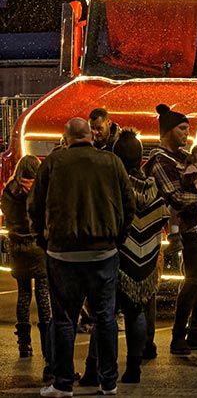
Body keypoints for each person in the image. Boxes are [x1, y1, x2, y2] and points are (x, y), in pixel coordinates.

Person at [29, 117, 135, 398]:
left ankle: (63, 384)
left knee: (63, 319)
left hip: (62, 253)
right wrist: (117, 238)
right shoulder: (111, 163)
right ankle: (108, 382)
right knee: (105, 317)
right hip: (104, 252)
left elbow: (34, 206)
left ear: (66, 138)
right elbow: (129, 204)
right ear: (90, 136)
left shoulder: (52, 164)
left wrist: (45, 240)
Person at [147, 104, 197, 354]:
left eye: (187, 128)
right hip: (190, 229)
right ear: (168, 131)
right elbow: (175, 196)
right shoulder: (160, 161)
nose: (186, 133)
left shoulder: (182, 158)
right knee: (193, 279)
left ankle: (196, 330)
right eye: (181, 128)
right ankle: (179, 335)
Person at [112, 129, 169, 384]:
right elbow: (162, 219)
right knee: (136, 313)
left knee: (107, 315)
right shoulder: (153, 187)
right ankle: (133, 368)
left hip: (119, 260)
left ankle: (103, 369)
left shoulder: (116, 188)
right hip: (146, 261)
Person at [2, 155, 51, 376]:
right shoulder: (39, 191)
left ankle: (24, 343)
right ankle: (48, 345)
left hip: (17, 248)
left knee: (23, 294)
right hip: (37, 247)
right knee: (43, 297)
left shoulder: (8, 192)